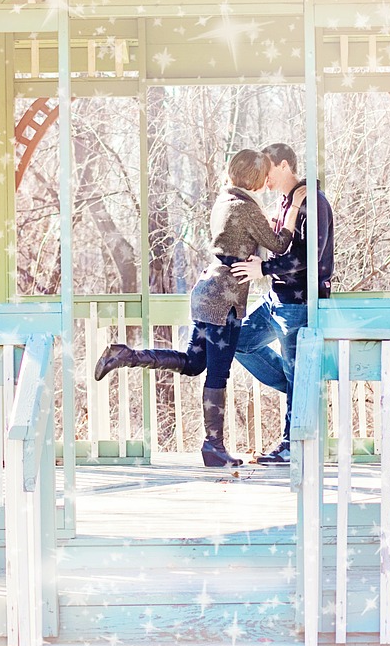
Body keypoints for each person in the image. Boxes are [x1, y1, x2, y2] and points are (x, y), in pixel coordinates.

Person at [93, 149, 308, 467]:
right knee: (218, 374)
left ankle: (126, 355)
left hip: (206, 291)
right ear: (253, 176)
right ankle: (213, 447)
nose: (266, 181)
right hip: (225, 299)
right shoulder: (245, 207)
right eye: (263, 175)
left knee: (194, 363)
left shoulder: (224, 200)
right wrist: (292, 213)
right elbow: (278, 245)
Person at [230, 142, 335, 465]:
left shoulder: (313, 203)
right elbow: (278, 246)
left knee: (296, 370)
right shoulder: (284, 204)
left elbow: (307, 258)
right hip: (274, 298)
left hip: (298, 303)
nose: (264, 176)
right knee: (239, 341)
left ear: (286, 166)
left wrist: (262, 268)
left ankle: (292, 445)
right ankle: (299, 387)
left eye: (268, 168)